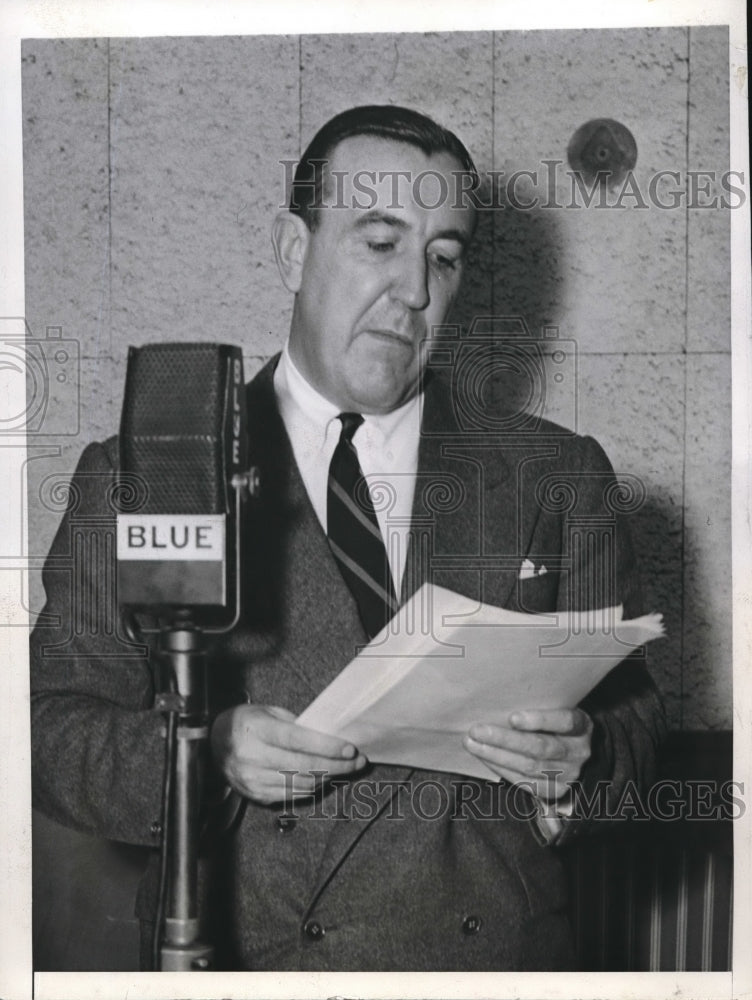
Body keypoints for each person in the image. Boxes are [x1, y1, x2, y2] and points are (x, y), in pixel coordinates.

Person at [30, 105, 665, 971]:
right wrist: (202, 756)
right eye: (379, 242)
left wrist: (578, 765)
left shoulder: (557, 473)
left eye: (443, 257)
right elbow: (50, 730)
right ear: (293, 251)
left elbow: (633, 718)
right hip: (252, 958)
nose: (413, 291)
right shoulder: (152, 468)